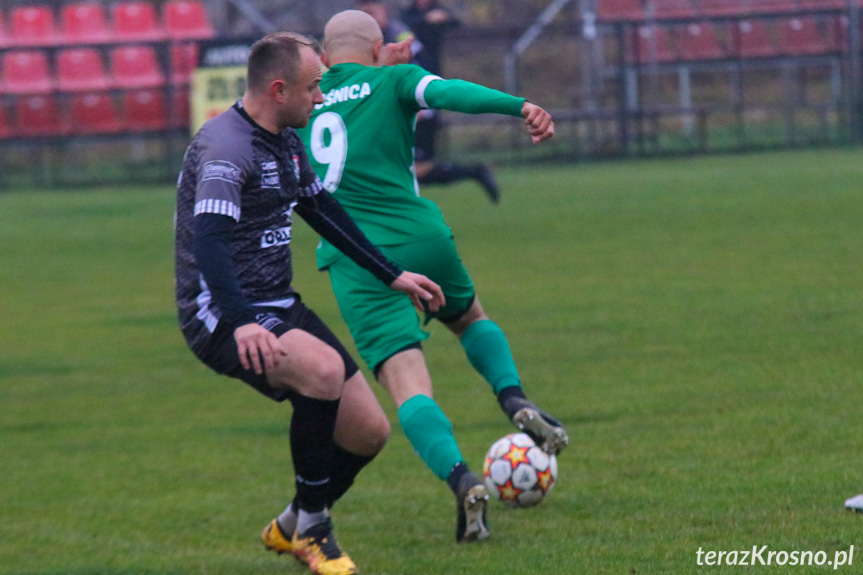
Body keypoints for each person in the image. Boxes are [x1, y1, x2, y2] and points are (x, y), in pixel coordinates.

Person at [174, 31, 444, 575]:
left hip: (277, 303)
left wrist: (391, 274)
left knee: (368, 432)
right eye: (313, 86)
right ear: (279, 89)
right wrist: (243, 321)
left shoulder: (284, 138)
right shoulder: (226, 147)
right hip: (222, 312)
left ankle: (292, 522)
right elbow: (209, 242)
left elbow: (321, 209)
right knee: (320, 372)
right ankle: (315, 533)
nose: (320, 97)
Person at [298, 10, 568, 543]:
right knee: (469, 318)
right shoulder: (395, 77)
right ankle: (513, 397)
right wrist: (521, 107)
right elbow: (450, 93)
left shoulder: (301, 101)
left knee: (407, 384)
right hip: (420, 235)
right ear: (378, 49)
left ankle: (462, 478)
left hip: (355, 257)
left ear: (324, 59)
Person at [356, 0, 501, 203]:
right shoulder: (367, 41)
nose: (368, 18)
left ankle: (475, 172)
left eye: (372, 12)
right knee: (403, 168)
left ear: (384, 11)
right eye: (363, 13)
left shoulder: (398, 34)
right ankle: (474, 172)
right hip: (393, 111)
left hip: (418, 109)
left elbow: (420, 63)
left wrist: (419, 100)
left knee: (415, 170)